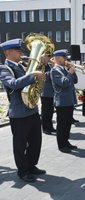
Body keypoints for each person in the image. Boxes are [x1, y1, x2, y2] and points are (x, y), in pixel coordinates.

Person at [0, 38, 46, 182]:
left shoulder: (22, 65)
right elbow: (13, 84)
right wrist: (32, 75)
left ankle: (31, 165)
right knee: (20, 144)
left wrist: (42, 65)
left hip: (32, 109)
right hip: (19, 112)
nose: (21, 52)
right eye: (18, 50)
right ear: (8, 52)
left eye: (21, 50)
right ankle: (23, 171)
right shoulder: (4, 68)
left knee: (35, 141)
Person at [50, 49, 78, 153]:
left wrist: (72, 72)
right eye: (64, 57)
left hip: (69, 101)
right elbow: (64, 83)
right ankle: (61, 145)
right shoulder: (55, 71)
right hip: (61, 102)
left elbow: (75, 81)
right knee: (62, 125)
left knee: (68, 124)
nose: (66, 59)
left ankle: (66, 141)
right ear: (58, 58)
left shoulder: (64, 69)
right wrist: (70, 73)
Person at [40, 53, 56, 135]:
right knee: (45, 111)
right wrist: (53, 71)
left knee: (50, 111)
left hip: (51, 92)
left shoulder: (49, 66)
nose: (50, 58)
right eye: (48, 56)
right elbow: (44, 76)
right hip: (45, 92)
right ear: (43, 57)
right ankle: (45, 128)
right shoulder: (40, 66)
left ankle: (50, 126)